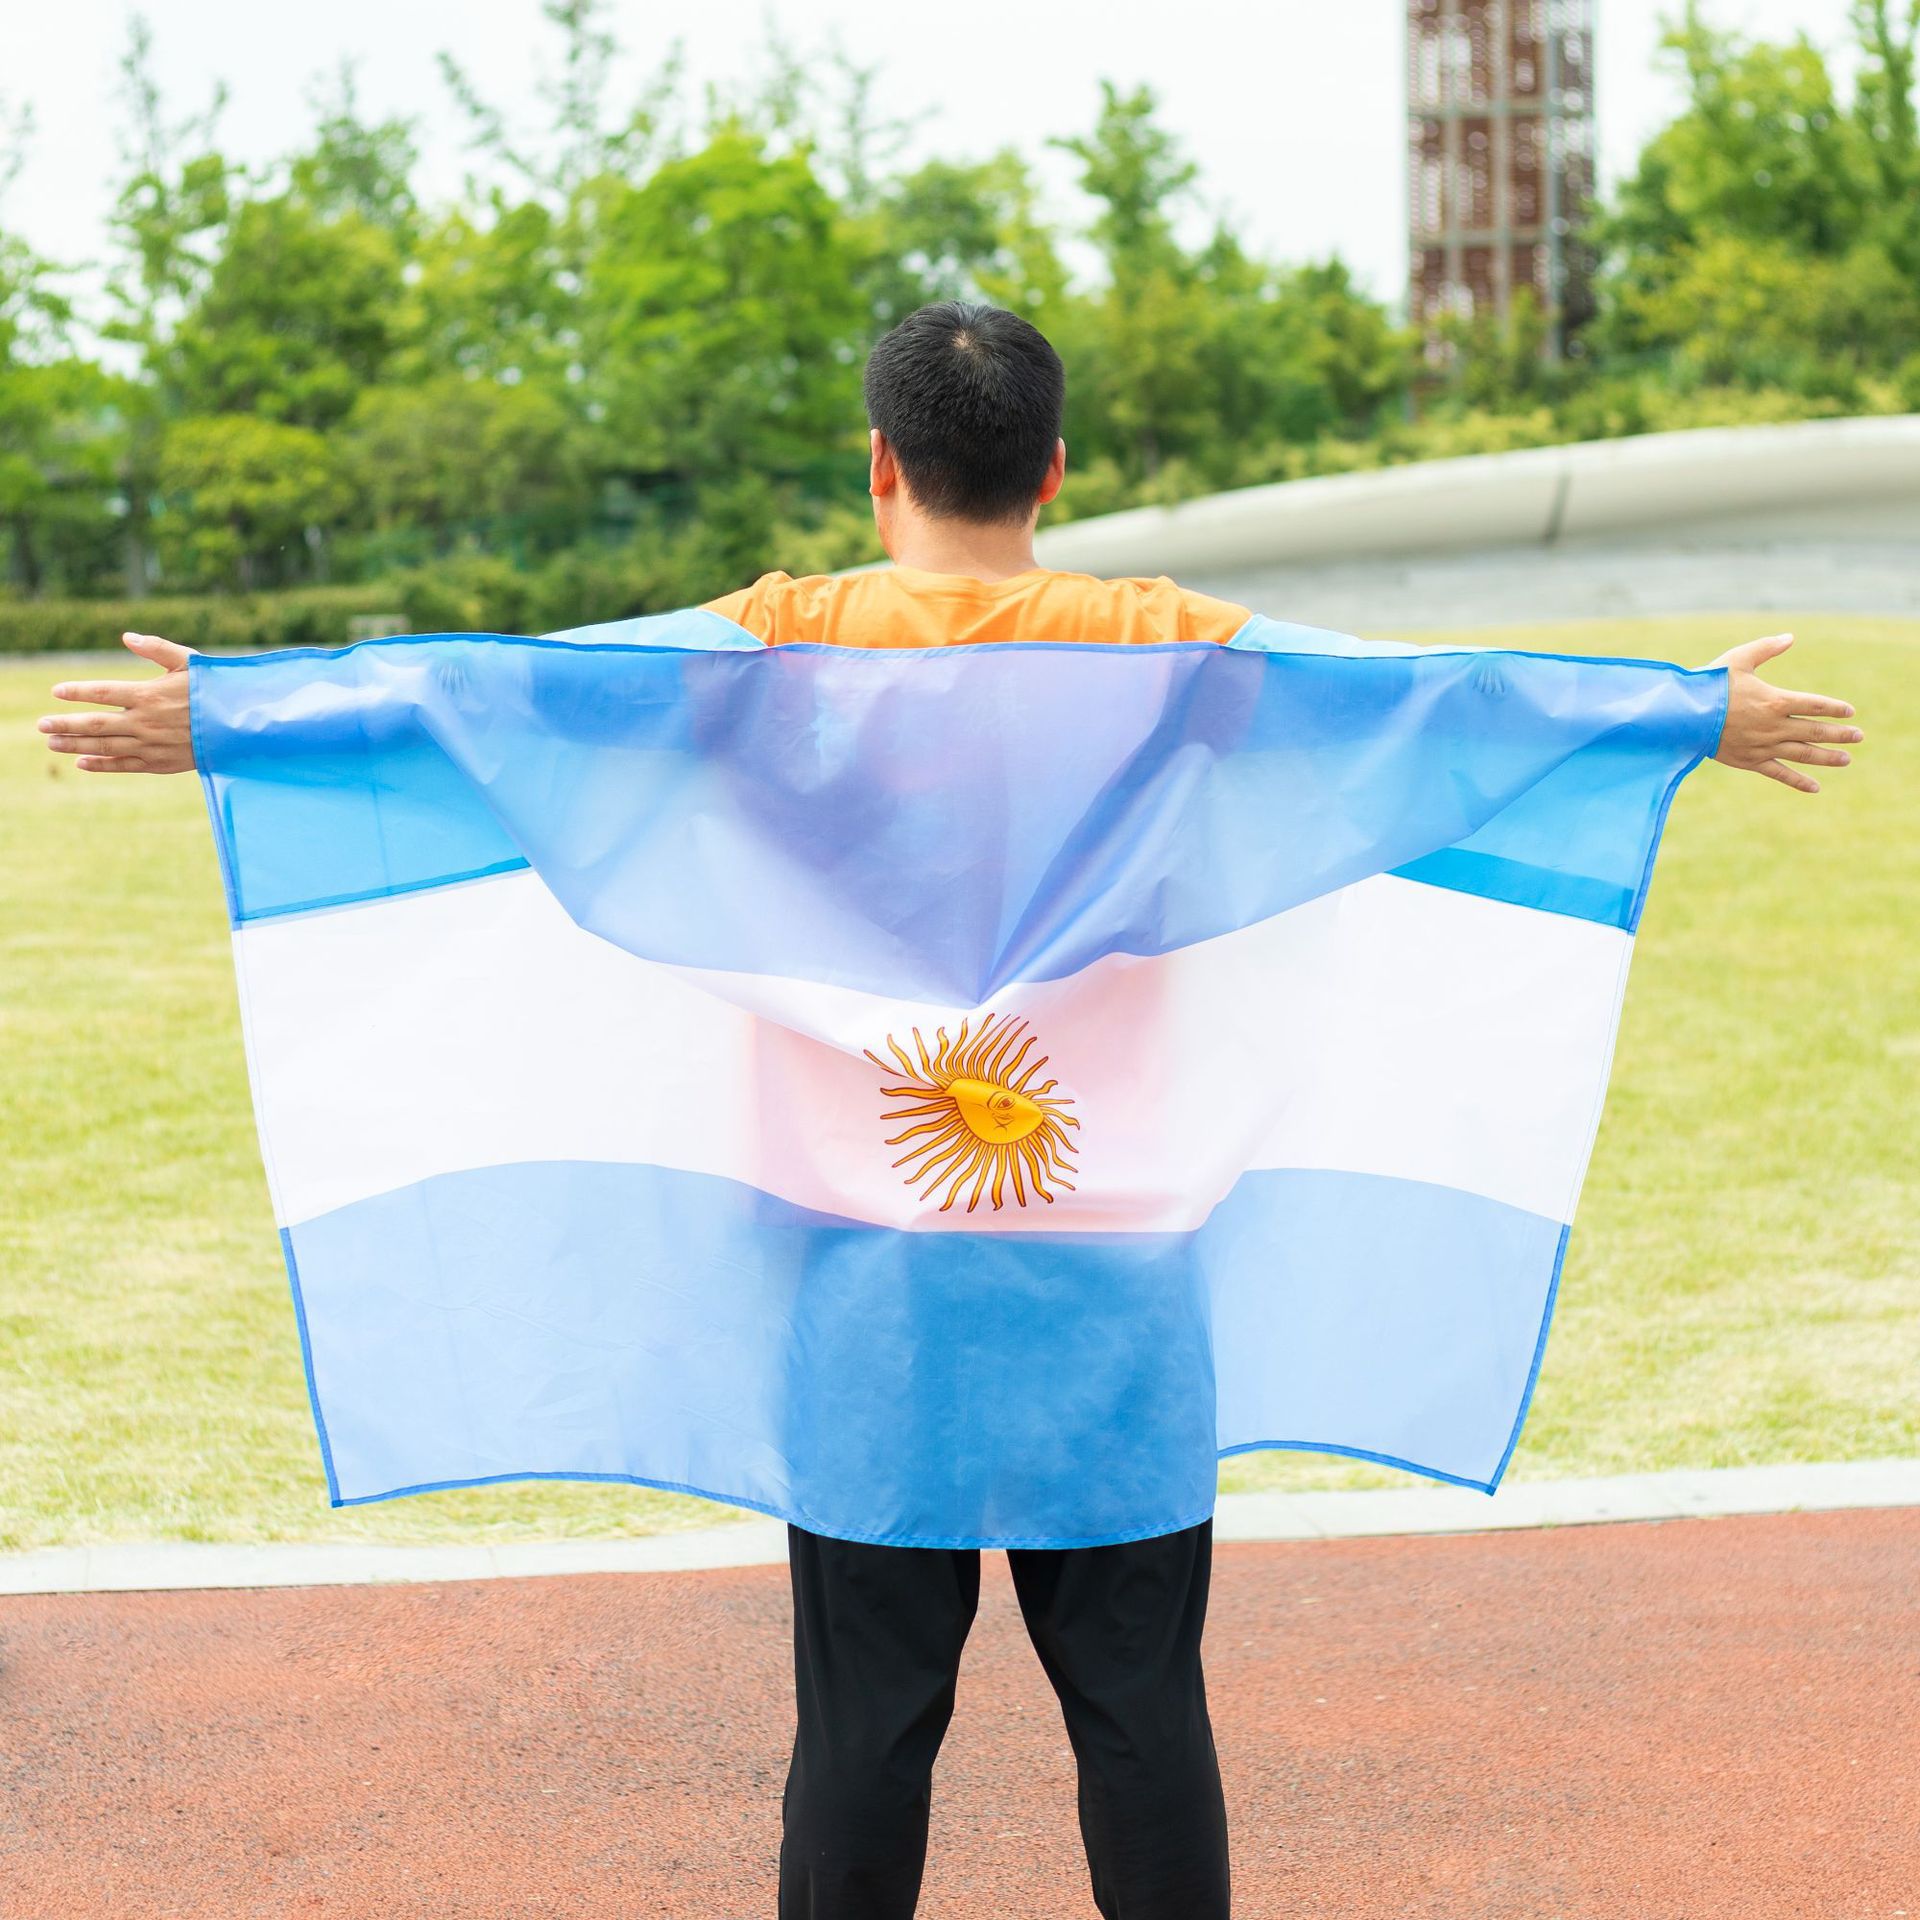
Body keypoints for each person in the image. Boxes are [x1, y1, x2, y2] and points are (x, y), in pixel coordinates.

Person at [40, 303, 1862, 1919]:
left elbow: (497, 700)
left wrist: (237, 718)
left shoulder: (767, 649)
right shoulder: (1170, 645)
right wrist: (1684, 714)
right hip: (1119, 1264)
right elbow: (1423, 710)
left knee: (865, 1720)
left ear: (879, 463)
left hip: (867, 1267)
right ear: (1053, 471)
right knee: (1143, 1708)